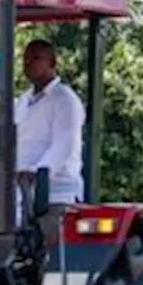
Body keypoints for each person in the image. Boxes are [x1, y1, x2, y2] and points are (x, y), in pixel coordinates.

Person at [15, 39, 85, 249]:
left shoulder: (65, 99)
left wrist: (37, 172)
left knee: (52, 257)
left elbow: (65, 144)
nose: (28, 63)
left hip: (54, 195)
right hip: (22, 194)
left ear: (52, 62)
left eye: (36, 58)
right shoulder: (23, 101)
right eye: (25, 59)